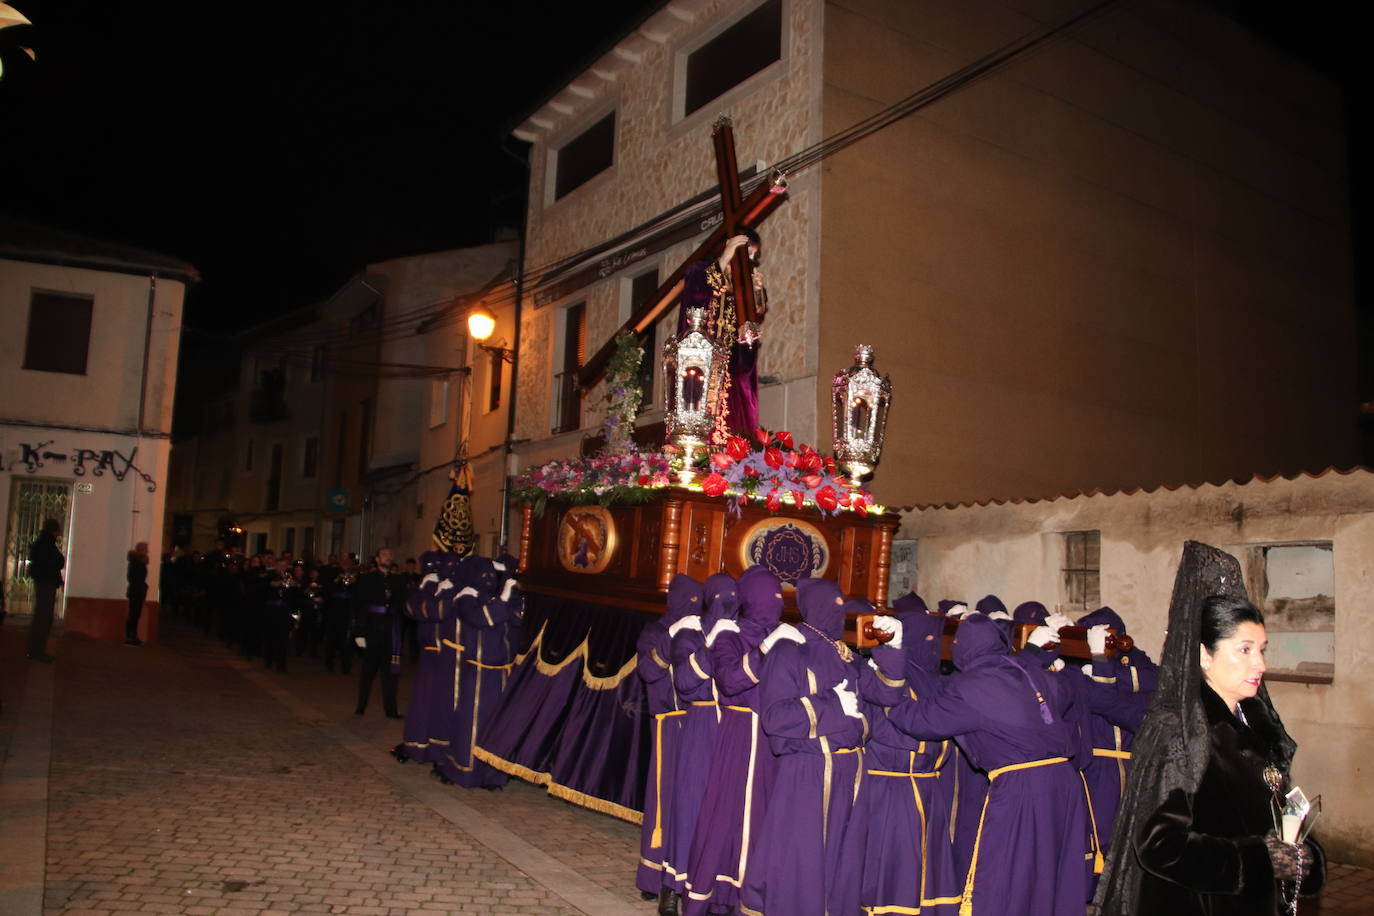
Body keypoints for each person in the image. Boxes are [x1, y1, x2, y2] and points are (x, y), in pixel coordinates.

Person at [1093, 542, 1326, 916]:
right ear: (1204, 654)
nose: (1260, 664)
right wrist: (1260, 862)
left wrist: (1303, 856)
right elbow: (1159, 845)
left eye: (1262, 649)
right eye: (1245, 650)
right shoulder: (1180, 731)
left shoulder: (1257, 724)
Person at [680, 229, 767, 444]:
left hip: (733, 372)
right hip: (701, 366)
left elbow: (753, 319)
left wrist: (756, 294)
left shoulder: (742, 289)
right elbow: (696, 295)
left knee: (734, 428)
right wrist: (724, 259)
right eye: (746, 253)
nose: (750, 261)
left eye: (753, 257)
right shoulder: (702, 271)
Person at [352, 547, 405, 718]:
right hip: (372, 629)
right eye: (384, 555)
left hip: (390, 631)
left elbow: (402, 604)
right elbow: (360, 606)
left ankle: (390, 709)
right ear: (377, 559)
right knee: (368, 671)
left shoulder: (398, 580)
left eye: (390, 555)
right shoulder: (367, 579)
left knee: (390, 673)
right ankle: (361, 705)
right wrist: (359, 632)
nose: (388, 557)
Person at [27, 517, 65, 662]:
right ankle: (36, 651)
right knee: (43, 618)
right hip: (46, 583)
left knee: (42, 617)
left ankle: (36, 650)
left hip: (44, 582)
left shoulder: (43, 542)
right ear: (54, 530)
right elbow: (57, 561)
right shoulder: (46, 544)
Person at [124, 541, 150, 646]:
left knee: (135, 614)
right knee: (134, 614)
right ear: (141, 550)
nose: (147, 551)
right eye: (146, 549)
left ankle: (133, 636)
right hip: (136, 591)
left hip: (138, 591)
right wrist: (141, 586)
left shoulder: (138, 561)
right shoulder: (136, 562)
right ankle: (130, 637)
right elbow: (133, 577)